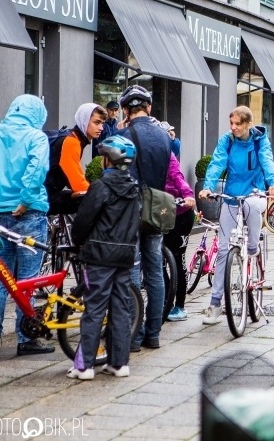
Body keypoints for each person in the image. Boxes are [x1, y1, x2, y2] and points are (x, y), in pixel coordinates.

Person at [0, 94, 53, 355]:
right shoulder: (36, 137)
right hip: (29, 213)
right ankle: (25, 338)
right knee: (28, 279)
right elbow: (36, 170)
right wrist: (25, 199)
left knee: (2, 279)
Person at [67, 136, 141, 380]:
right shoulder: (134, 187)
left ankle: (84, 366)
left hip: (99, 256)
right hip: (124, 255)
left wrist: (77, 241)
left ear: (107, 160)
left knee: (94, 309)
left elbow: (84, 220)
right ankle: (119, 364)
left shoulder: (100, 186)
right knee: (120, 308)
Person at [198, 106, 274, 325]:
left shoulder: (259, 140)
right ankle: (215, 304)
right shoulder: (228, 140)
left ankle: (253, 247)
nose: (233, 127)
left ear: (248, 124)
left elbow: (267, 162)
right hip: (232, 196)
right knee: (223, 249)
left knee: (253, 207)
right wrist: (208, 186)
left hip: (255, 193)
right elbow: (217, 163)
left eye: (238, 124)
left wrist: (273, 184)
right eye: (231, 123)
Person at [117, 85, 173, 351]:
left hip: (131, 210)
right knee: (155, 272)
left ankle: (134, 336)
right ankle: (153, 334)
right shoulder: (165, 136)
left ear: (126, 110)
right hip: (156, 208)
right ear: (148, 107)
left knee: (132, 273)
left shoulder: (125, 134)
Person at [44, 103, 106, 215]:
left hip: (45, 192)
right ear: (84, 120)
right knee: (86, 199)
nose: (101, 128)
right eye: (96, 123)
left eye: (102, 123)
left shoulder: (73, 137)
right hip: (43, 197)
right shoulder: (72, 142)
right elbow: (78, 184)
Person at [164, 150, 196, 322]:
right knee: (156, 259)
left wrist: (188, 194)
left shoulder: (167, 155)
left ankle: (180, 306)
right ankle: (166, 298)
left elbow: (177, 175)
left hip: (180, 212)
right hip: (158, 212)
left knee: (178, 258)